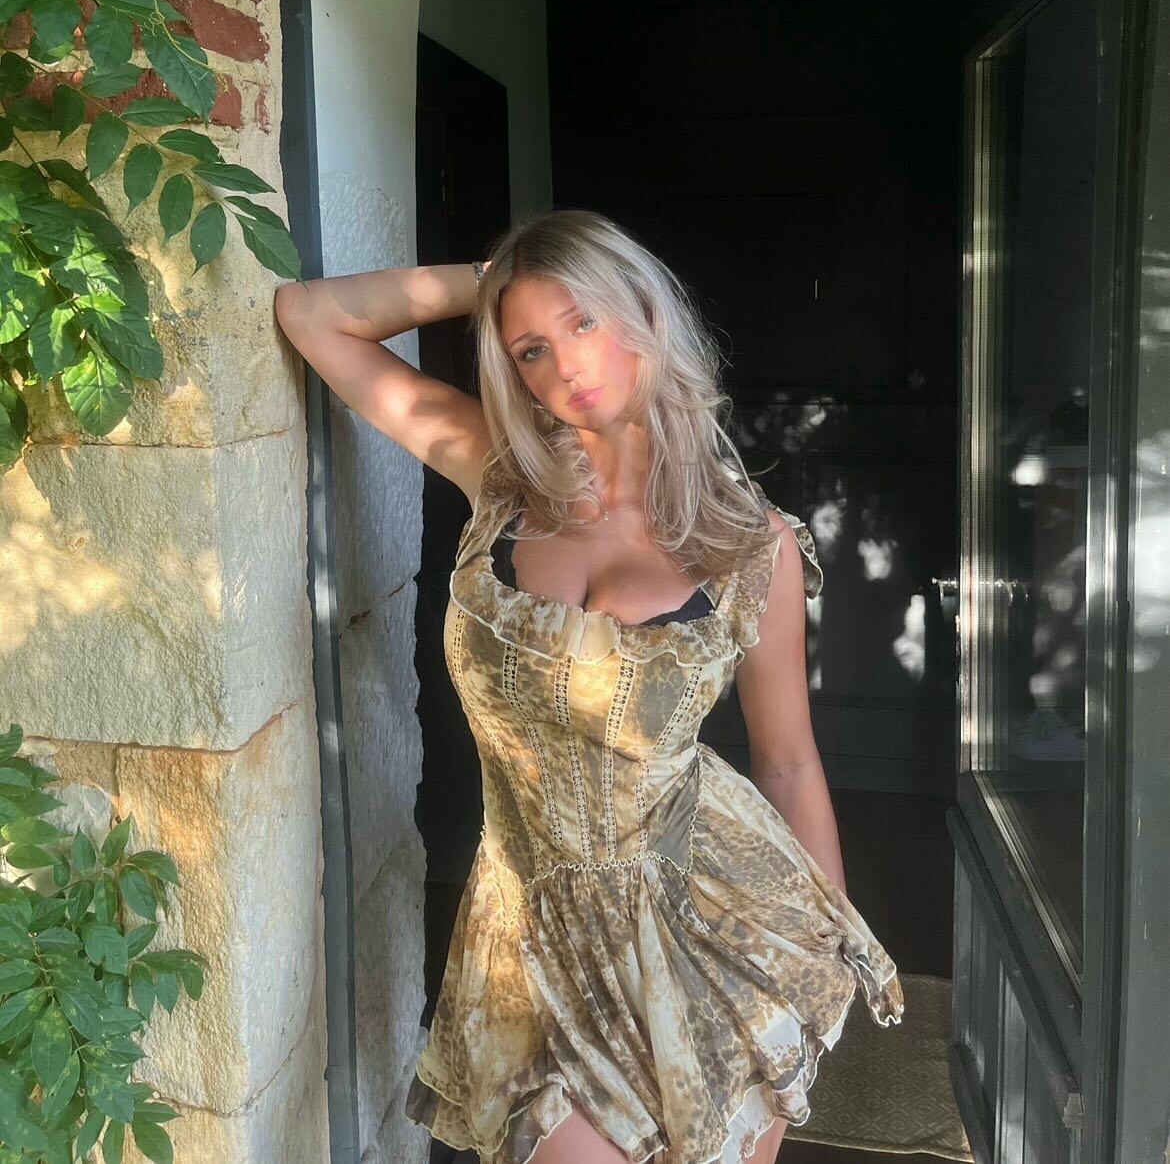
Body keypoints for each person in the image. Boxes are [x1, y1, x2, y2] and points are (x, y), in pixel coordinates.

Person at [274, 208, 903, 1164]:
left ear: (644, 312)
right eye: (530, 347)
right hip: (524, 940)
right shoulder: (498, 478)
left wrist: (824, 961)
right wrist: (493, 277)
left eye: (583, 319)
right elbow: (311, 314)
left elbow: (788, 761)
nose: (564, 363)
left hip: (704, 929)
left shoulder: (750, 546)